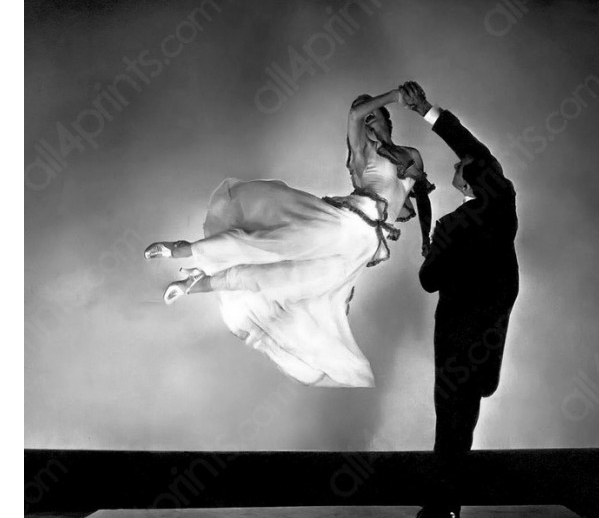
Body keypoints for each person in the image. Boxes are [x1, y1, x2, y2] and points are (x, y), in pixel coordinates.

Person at [144, 90, 435, 388]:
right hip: (345, 223)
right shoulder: (363, 152)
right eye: (366, 120)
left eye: (374, 116)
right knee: (269, 243)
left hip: (362, 247)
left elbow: (421, 197)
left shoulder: (411, 155)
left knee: (284, 278)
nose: (368, 124)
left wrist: (427, 238)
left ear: (387, 119)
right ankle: (185, 250)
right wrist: (395, 95)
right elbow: (354, 115)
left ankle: (195, 284)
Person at [395, 82, 520, 518]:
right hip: (482, 343)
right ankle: (446, 505)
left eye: (460, 165)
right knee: (459, 428)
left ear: (474, 178)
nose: (454, 164)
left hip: (454, 342)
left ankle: (439, 505)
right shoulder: (501, 211)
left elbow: (429, 282)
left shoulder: (459, 222)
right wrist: (428, 112)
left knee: (449, 426)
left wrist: (431, 253)